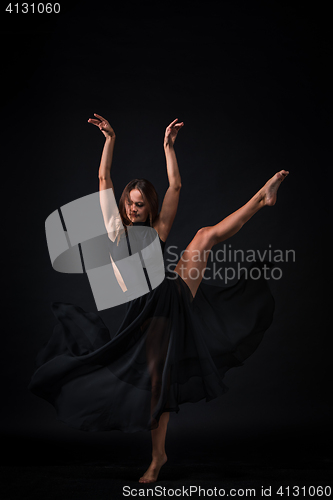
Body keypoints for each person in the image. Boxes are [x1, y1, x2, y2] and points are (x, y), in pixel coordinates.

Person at [29, 113, 289, 484]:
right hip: (147, 312)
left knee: (204, 235)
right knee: (156, 383)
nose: (134, 208)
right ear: (124, 205)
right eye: (130, 203)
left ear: (149, 208)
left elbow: (176, 187)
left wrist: (168, 147)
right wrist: (110, 139)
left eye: (140, 204)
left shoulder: (157, 229)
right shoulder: (116, 231)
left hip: (173, 291)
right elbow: (103, 179)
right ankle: (158, 457)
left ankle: (262, 198)